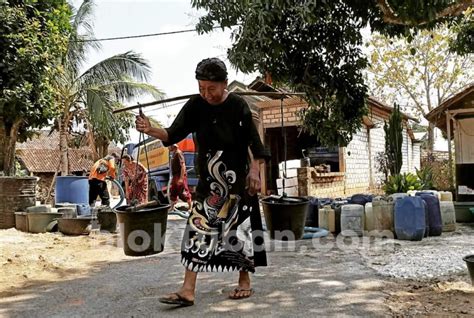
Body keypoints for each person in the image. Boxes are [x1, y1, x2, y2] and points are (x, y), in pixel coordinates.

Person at [136, 57, 270, 306]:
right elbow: (172, 133)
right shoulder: (195, 106)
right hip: (208, 186)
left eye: (211, 89)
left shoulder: (238, 106)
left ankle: (244, 281)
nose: (206, 94)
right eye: (201, 88)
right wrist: (149, 129)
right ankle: (188, 289)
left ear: (224, 84)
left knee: (238, 232)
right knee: (196, 229)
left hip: (238, 183)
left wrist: (255, 171)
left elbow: (255, 143)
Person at [168, 144, 193, 212]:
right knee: (173, 191)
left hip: (180, 175)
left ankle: (190, 207)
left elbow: (183, 166)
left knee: (184, 191)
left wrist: (181, 178)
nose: (168, 148)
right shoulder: (174, 154)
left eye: (169, 146)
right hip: (175, 175)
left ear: (174, 146)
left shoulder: (178, 153)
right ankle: (172, 207)